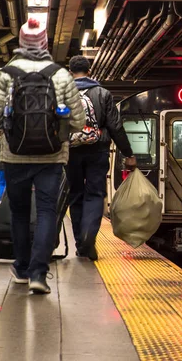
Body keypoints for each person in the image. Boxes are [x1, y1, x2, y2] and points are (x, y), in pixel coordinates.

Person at [0, 19, 85, 294]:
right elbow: (78, 120)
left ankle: (21, 267)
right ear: (44, 43)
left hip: (15, 157)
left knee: (19, 213)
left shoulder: (5, 75)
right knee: (46, 212)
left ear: (20, 42)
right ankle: (39, 274)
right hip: (51, 158)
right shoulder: (61, 75)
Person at [67, 55, 136, 261]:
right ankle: (90, 236)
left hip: (70, 151)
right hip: (98, 150)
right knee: (95, 194)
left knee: (76, 195)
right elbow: (115, 126)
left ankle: (81, 243)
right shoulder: (103, 94)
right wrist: (129, 154)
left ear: (70, 72)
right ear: (89, 71)